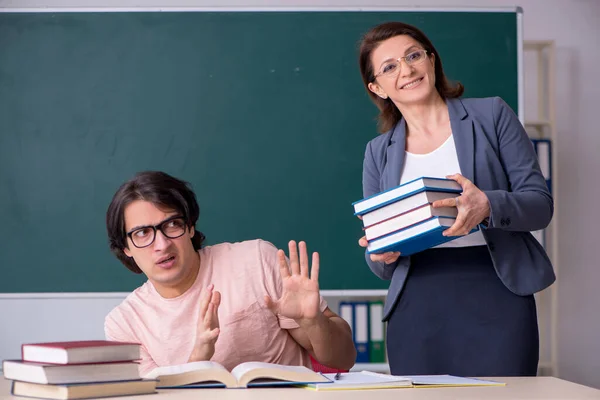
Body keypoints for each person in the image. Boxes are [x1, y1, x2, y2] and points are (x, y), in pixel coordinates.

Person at [356, 22, 555, 376]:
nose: (407, 70)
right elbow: (381, 263)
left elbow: (539, 204)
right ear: (377, 88)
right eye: (389, 67)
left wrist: (488, 205)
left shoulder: (491, 115)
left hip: (497, 290)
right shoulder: (378, 152)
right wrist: (380, 252)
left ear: (431, 60)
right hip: (417, 302)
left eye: (414, 55)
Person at [104, 171, 355, 376]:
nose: (162, 244)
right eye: (142, 233)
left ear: (190, 226)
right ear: (126, 248)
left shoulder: (255, 260)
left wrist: (313, 322)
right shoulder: (124, 324)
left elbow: (344, 359)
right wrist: (200, 355)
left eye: (171, 224)